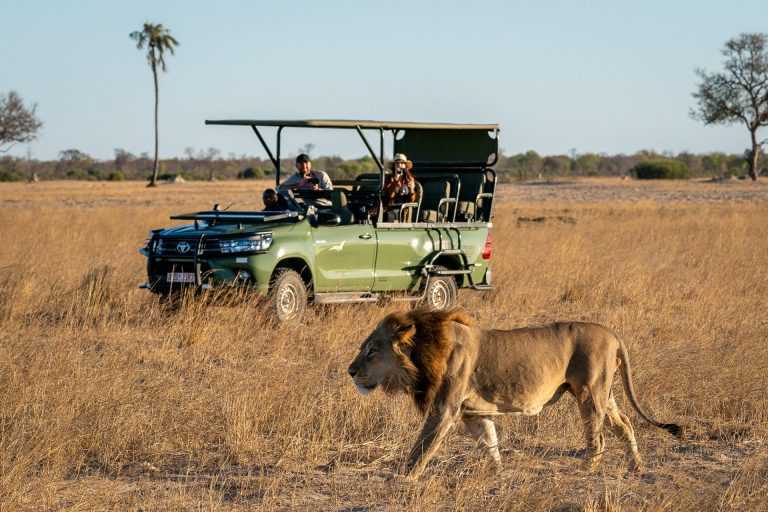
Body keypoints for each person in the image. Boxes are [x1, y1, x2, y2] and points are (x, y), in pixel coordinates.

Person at [382, 153, 417, 221]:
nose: (399, 165)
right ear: (394, 166)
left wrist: (412, 190)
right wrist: (396, 180)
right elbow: (390, 196)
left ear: (405, 166)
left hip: (404, 210)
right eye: (397, 163)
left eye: (402, 163)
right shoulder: (390, 179)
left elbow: (412, 201)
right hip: (390, 208)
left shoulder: (410, 179)